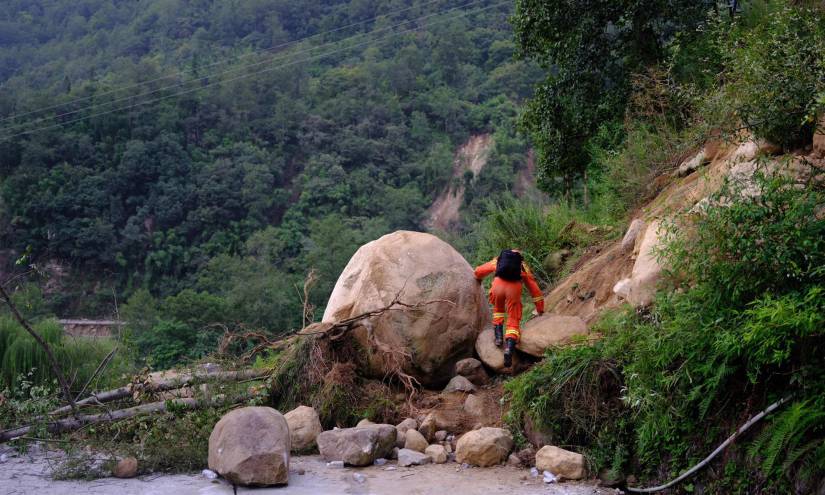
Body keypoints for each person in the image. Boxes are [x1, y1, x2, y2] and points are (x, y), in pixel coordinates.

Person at [474, 249, 544, 367]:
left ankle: (498, 338)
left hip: (497, 287)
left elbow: (479, 271)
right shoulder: (522, 266)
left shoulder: (498, 261)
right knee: (513, 316)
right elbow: (534, 288)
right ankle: (509, 348)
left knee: (498, 309)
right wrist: (540, 307)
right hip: (514, 289)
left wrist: (478, 277)